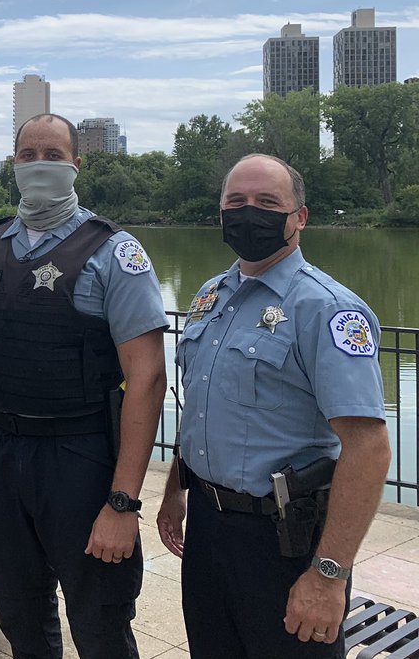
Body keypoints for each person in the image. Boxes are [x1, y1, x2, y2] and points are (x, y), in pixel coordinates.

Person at [0, 113, 168, 659]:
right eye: (28, 155)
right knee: (19, 615)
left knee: (100, 622)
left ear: (76, 162)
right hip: (0, 454)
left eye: (52, 154)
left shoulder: (115, 252)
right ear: (13, 163)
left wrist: (123, 502)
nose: (39, 164)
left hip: (81, 459)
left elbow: (148, 377)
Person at [157, 154, 390, 658]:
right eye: (236, 202)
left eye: (267, 203)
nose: (249, 213)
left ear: (299, 217)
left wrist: (329, 576)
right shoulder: (211, 295)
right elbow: (201, 406)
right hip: (209, 528)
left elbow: (368, 448)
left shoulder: (328, 310)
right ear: (220, 213)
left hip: (285, 539)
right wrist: (175, 489)